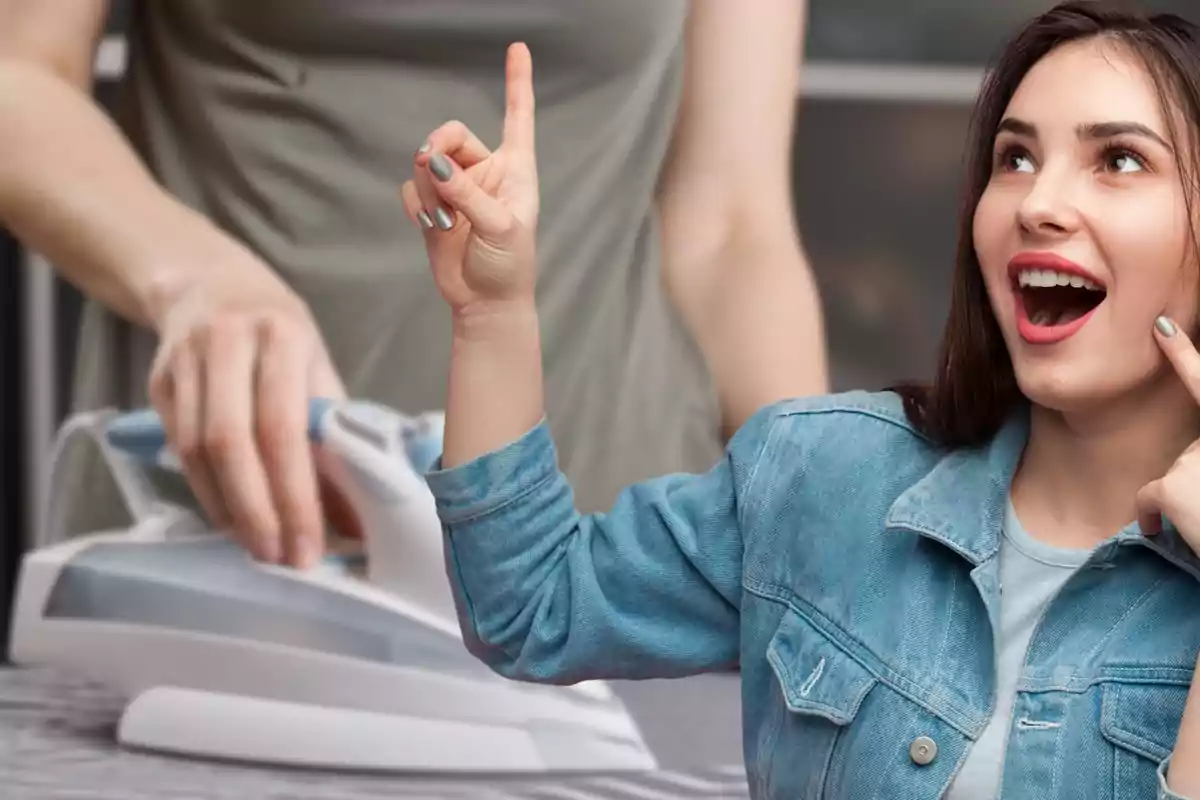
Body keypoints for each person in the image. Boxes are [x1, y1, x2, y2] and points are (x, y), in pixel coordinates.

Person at [406, 1, 1200, 797]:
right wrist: (492, 315)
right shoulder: (825, 472)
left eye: (1120, 161)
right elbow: (530, 609)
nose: (1037, 203)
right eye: (1015, 158)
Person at [0, 0, 826, 571]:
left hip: (610, 546)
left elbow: (730, 227)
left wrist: (824, 527)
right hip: (226, 518)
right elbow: (19, 72)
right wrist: (192, 276)